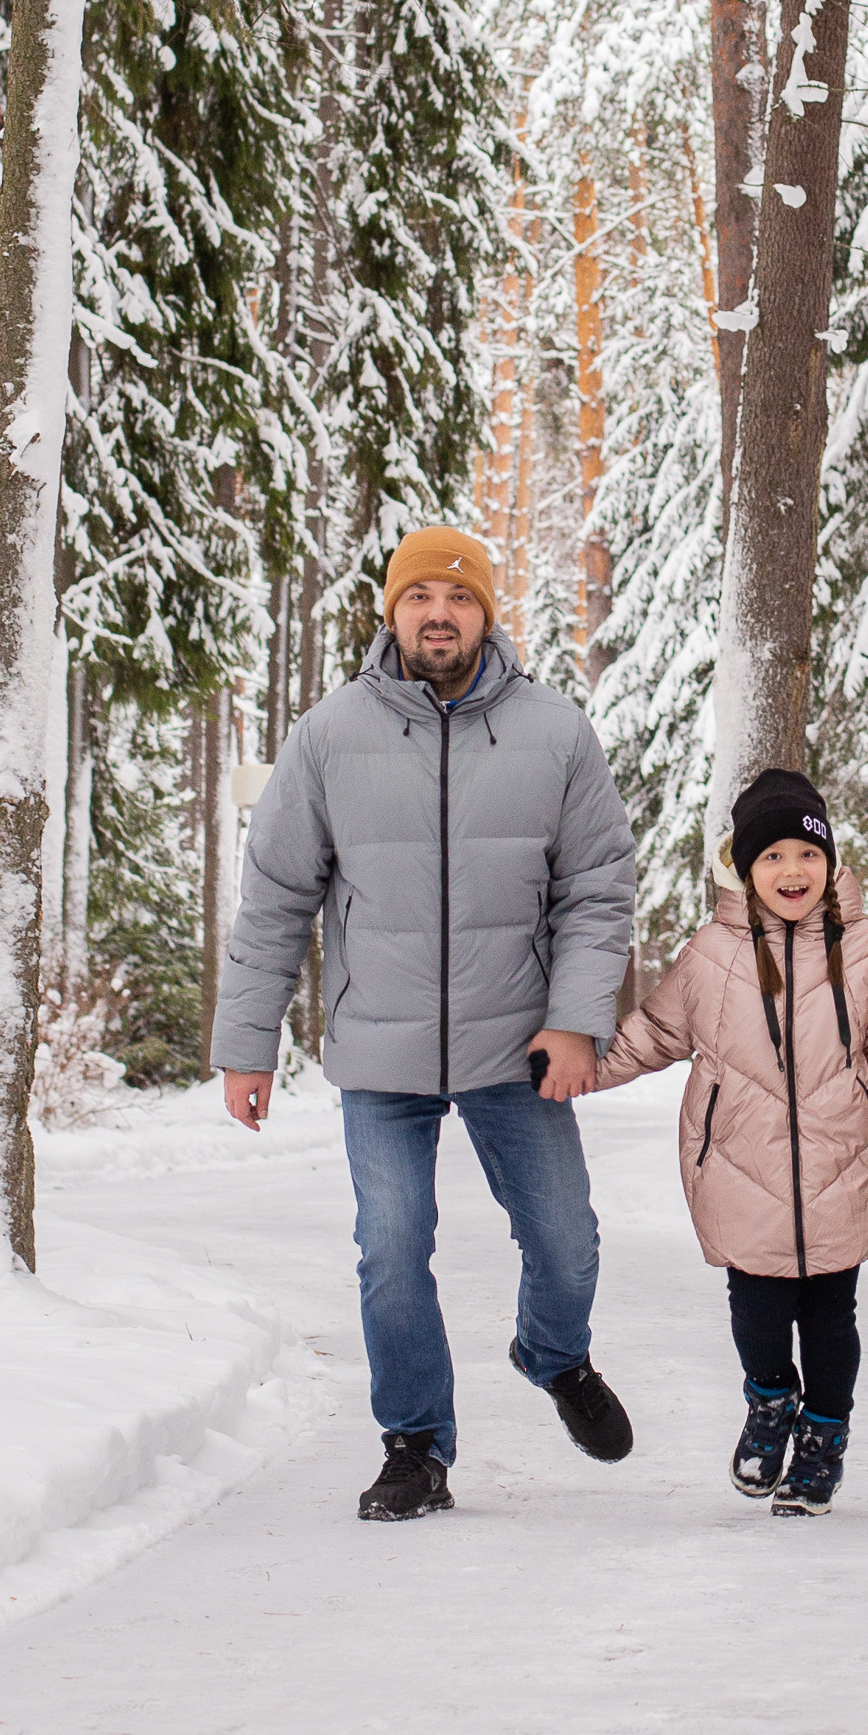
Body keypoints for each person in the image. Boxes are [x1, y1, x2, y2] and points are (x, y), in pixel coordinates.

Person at [212, 525, 639, 1523]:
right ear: (390, 610)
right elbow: (274, 897)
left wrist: (577, 1020)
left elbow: (598, 889)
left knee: (566, 1239)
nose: (436, 613)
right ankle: (414, 1443)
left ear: (486, 614)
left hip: (516, 1042)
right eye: (418, 597)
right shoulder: (327, 735)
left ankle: (552, 1353)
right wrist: (247, 1045)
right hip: (381, 1043)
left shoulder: (555, 731)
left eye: (456, 597)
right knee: (392, 1244)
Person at [588, 767, 868, 1517]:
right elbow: (651, 1034)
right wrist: (572, 1068)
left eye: (804, 854)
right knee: (758, 1312)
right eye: (769, 857)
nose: (790, 871)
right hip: (741, 1164)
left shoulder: (865, 948)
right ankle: (771, 1404)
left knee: (833, 1315)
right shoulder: (711, 954)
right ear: (742, 868)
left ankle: (824, 1437)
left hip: (845, 1163)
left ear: (829, 861)